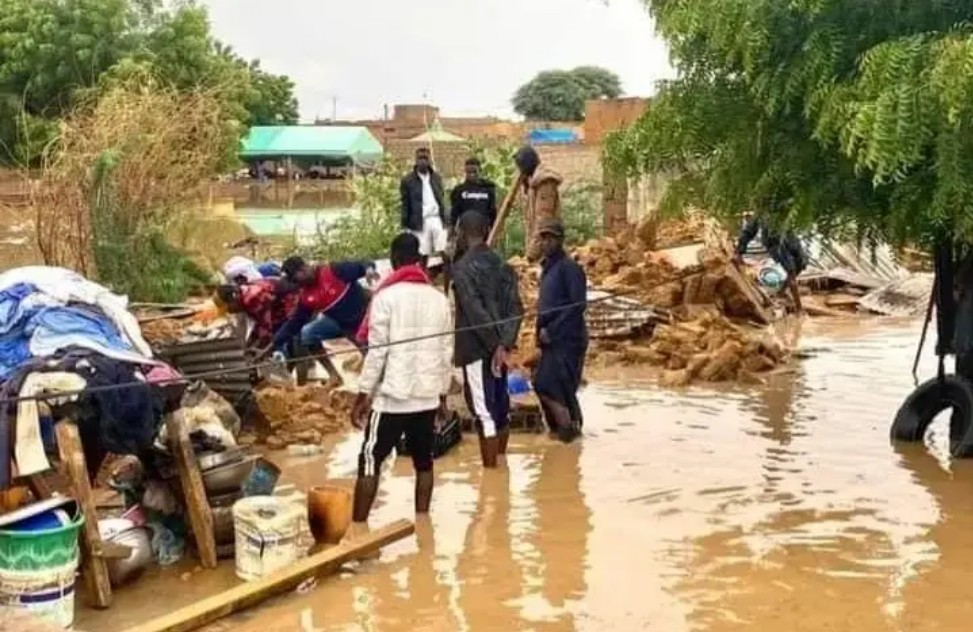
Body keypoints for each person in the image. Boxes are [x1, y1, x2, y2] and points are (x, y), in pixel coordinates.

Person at [350, 233, 452, 522]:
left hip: (392, 400)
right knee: (424, 462)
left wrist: (362, 395)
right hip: (427, 397)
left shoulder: (385, 297)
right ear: (419, 261)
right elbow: (446, 351)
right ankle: (423, 527)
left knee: (370, 461)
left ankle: (358, 529)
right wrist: (442, 396)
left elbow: (377, 352)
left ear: (394, 261)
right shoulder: (439, 299)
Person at [452, 211, 524, 468]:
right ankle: (501, 471)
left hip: (476, 350)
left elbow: (475, 311)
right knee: (500, 405)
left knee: (484, 412)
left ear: (462, 232)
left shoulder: (460, 270)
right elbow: (517, 308)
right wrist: (504, 345)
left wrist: (495, 346)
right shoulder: (503, 266)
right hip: (500, 350)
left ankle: (492, 480)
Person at [274, 255, 377, 385]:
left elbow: (364, 263)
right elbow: (293, 325)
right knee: (307, 334)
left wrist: (369, 270)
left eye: (297, 278)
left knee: (375, 359)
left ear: (303, 268)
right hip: (344, 325)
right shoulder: (306, 297)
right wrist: (273, 344)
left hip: (368, 316)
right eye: (296, 282)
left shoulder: (333, 270)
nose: (299, 284)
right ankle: (334, 376)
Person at [534, 218, 587, 444]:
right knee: (560, 388)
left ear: (560, 240)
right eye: (542, 238)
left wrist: (553, 331)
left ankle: (567, 431)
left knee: (546, 385)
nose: (545, 242)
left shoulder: (570, 269)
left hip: (567, 338)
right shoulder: (547, 268)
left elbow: (578, 305)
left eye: (550, 238)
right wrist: (540, 332)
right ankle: (563, 435)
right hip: (550, 339)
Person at [733, 213, 807, 313]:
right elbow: (749, 231)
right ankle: (799, 309)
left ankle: (781, 292)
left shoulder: (784, 204)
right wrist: (739, 252)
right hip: (775, 242)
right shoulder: (763, 210)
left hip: (789, 237)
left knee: (802, 263)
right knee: (791, 271)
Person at [215, 278, 298, 350]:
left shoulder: (252, 298)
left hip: (291, 300)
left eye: (228, 308)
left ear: (233, 300)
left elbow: (266, 327)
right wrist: (249, 344)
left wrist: (256, 350)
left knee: (282, 335)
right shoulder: (243, 297)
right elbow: (259, 324)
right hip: (278, 306)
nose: (229, 312)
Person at [514, 145, 564, 262]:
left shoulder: (544, 184)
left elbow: (543, 221)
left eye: (521, 168)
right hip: (540, 248)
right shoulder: (534, 183)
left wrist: (532, 253)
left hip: (546, 249)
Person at [400, 147, 448, 262]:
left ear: (430, 160)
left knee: (445, 254)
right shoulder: (408, 180)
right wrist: (405, 225)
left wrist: (447, 220)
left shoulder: (436, 178)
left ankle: (449, 280)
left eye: (425, 158)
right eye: (420, 158)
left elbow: (441, 198)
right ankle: (422, 278)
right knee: (422, 255)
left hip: (437, 219)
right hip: (420, 221)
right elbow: (405, 203)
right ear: (415, 160)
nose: (423, 161)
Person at [449, 157, 498, 230]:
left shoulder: (488, 188)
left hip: (483, 229)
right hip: (466, 229)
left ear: (480, 171)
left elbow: (492, 210)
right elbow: (455, 211)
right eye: (469, 172)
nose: (472, 175)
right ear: (465, 172)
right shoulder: (459, 190)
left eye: (474, 172)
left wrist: (493, 227)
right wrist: (452, 227)